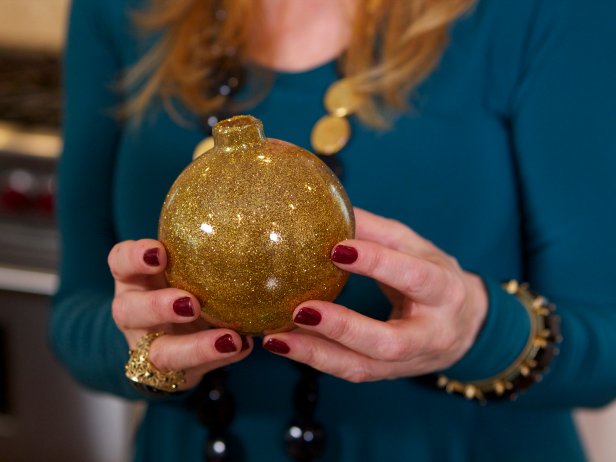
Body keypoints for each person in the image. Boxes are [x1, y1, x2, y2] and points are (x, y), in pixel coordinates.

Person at [51, 0, 616, 460]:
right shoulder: (121, 11)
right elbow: (77, 315)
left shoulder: (542, 12)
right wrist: (148, 349)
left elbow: (604, 346)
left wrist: (475, 329)